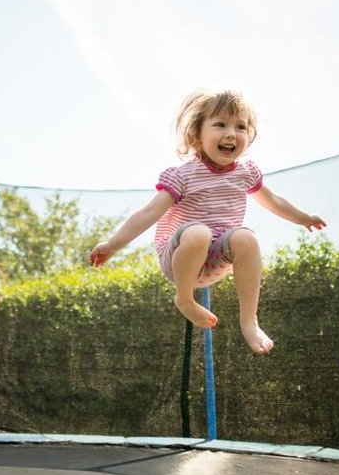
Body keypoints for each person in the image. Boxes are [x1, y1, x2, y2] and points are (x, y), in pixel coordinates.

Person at [89, 89, 325, 355]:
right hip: (179, 258)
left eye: (240, 126)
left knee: (246, 237)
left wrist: (303, 218)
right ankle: (185, 299)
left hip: (215, 260)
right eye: (220, 124)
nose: (231, 133)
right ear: (196, 135)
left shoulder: (246, 173)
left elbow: (274, 201)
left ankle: (249, 320)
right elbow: (148, 213)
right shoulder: (183, 176)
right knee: (198, 232)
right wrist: (112, 244)